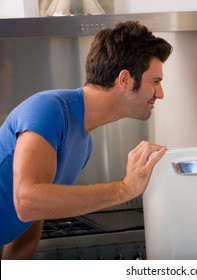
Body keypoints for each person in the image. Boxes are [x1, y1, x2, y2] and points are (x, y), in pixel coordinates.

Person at [0, 21, 173, 259]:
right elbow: (27, 200)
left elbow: (33, 214)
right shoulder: (49, 109)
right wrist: (125, 188)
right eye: (155, 81)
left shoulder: (83, 143)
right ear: (124, 79)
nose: (161, 93)